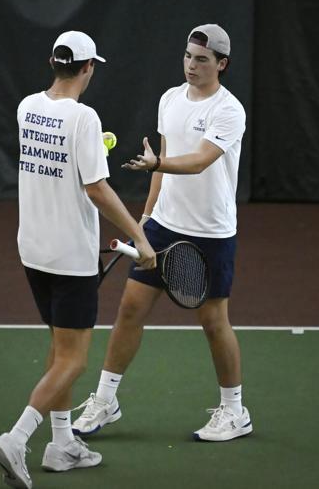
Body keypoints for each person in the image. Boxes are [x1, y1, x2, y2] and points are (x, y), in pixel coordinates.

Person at [0, 30, 156, 489]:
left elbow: (57, 161)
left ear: (53, 63)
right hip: (69, 257)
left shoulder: (27, 107)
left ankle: (62, 445)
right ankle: (17, 438)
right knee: (75, 360)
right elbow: (96, 188)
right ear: (88, 68)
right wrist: (139, 236)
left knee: (60, 348)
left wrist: (88, 149)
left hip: (33, 251)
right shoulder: (83, 118)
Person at [72, 24, 253, 442]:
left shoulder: (229, 110)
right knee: (130, 309)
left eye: (202, 60)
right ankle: (106, 400)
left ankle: (234, 411)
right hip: (164, 224)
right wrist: (143, 225)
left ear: (221, 64)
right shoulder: (170, 99)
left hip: (211, 232)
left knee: (213, 321)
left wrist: (156, 166)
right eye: (188, 56)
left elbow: (199, 161)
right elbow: (166, 161)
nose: (192, 65)